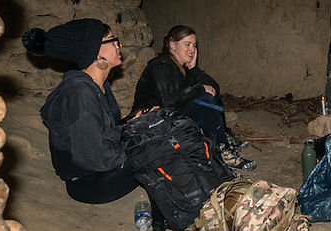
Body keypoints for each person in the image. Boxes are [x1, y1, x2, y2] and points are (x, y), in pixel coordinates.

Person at [22, 18, 145, 204]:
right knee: (156, 147)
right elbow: (97, 157)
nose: (119, 44)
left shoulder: (98, 86)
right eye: (112, 39)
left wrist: (131, 124)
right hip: (88, 183)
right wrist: (135, 139)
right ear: (96, 52)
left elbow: (103, 132)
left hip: (99, 171)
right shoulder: (80, 93)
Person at [131, 25, 255, 171]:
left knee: (209, 95)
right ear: (172, 45)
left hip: (168, 115)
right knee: (205, 100)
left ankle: (224, 137)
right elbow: (169, 102)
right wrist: (200, 88)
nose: (192, 50)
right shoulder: (161, 65)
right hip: (152, 123)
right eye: (187, 44)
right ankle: (222, 152)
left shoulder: (181, 66)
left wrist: (194, 69)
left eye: (194, 45)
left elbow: (214, 87)